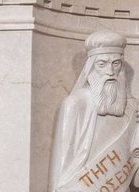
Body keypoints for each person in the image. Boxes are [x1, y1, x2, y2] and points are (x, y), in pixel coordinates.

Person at [48, 31, 139, 191]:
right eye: (102, 64)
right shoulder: (75, 104)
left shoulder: (132, 108)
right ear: (91, 67)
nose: (110, 71)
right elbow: (62, 164)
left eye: (116, 63)